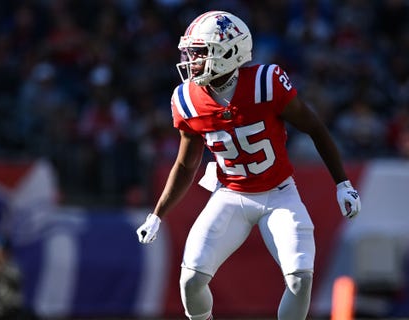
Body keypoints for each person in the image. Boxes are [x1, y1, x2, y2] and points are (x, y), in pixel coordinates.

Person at [135, 11, 362, 320]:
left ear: (229, 51)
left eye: (200, 52)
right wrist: (157, 214)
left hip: (280, 194)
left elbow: (315, 128)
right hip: (230, 195)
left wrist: (342, 183)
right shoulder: (186, 99)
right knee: (191, 280)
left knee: (300, 279)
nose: (193, 60)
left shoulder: (265, 82)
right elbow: (187, 165)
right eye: (191, 52)